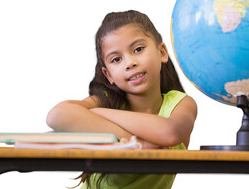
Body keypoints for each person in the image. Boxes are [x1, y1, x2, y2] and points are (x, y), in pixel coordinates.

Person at [46, 10, 197, 189]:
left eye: (138, 49)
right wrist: (136, 143)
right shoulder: (105, 100)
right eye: (116, 59)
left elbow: (169, 133)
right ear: (108, 74)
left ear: (162, 52)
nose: (129, 63)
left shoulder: (180, 104)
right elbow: (56, 116)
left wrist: (97, 113)